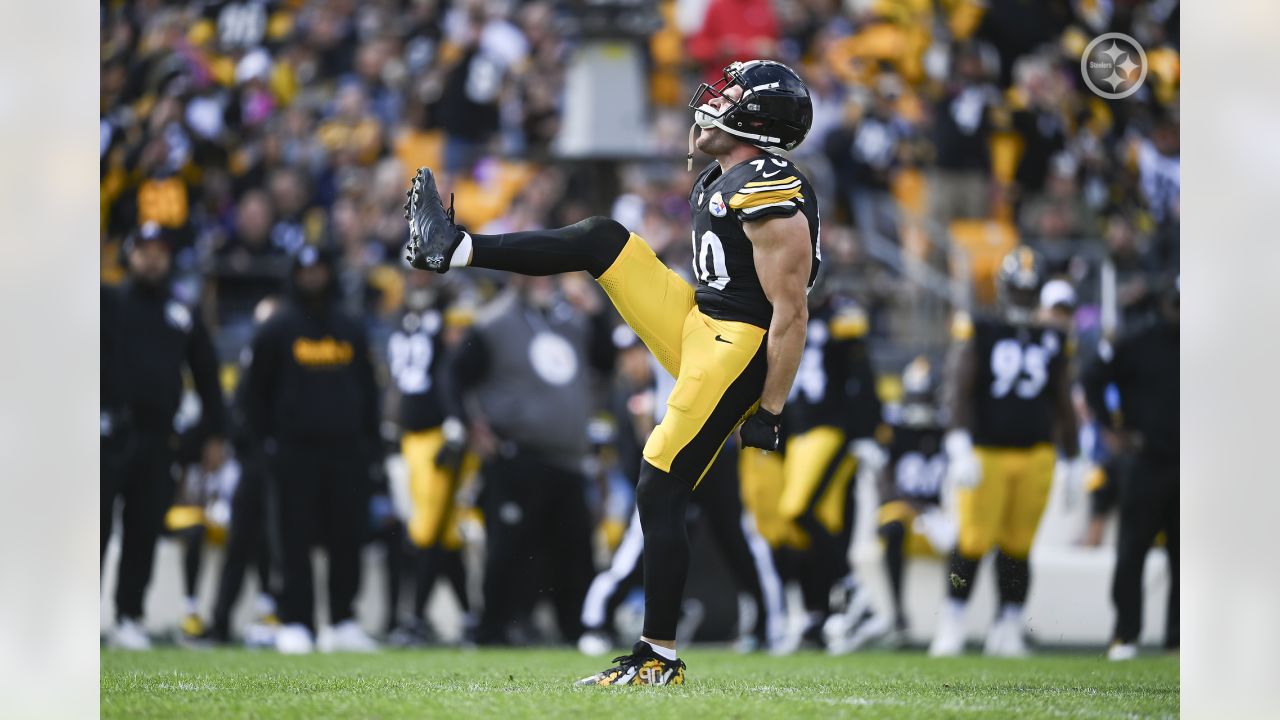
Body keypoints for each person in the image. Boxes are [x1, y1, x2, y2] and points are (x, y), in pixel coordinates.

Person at [405, 59, 817, 685]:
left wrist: (769, 410)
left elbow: (790, 313)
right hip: (700, 321)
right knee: (603, 239)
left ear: (756, 117)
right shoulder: (725, 176)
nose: (710, 102)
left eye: (728, 95)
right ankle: (455, 248)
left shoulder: (769, 186)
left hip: (738, 343)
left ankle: (659, 657)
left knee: (660, 485)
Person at [440, 275, 611, 646]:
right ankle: (493, 629)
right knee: (508, 548)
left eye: (546, 272)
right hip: (516, 455)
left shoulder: (571, 320)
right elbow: (454, 375)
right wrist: (469, 426)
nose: (541, 279)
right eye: (531, 271)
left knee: (574, 550)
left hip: (568, 458)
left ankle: (577, 631)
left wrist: (596, 314)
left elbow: (606, 361)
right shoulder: (492, 322)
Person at [930, 246, 1083, 658]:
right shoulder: (980, 328)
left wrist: (1073, 456)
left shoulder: (1053, 337)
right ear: (1002, 289)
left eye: (1027, 291)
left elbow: (1063, 400)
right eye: (1016, 290)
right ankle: (952, 621)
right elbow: (959, 387)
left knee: (1018, 547)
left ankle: (1009, 626)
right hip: (986, 451)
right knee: (973, 543)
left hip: (1035, 454)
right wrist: (958, 442)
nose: (1021, 298)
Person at [238, 245, 382, 654]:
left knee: (346, 538)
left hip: (346, 453)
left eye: (319, 269)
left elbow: (369, 390)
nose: (313, 277)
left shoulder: (350, 328)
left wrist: (371, 446)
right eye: (306, 271)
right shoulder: (277, 328)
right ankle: (296, 621)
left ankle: (342, 620)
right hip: (292, 453)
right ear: (294, 275)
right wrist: (262, 447)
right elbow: (252, 395)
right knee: (292, 539)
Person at [101, 222, 227, 650]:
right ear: (130, 253)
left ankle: (130, 615)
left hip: (158, 437)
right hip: (105, 432)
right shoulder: (107, 301)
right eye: (144, 249)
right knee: (92, 528)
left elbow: (207, 375)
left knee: (143, 530)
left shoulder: (180, 311)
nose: (152, 258)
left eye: (160, 250)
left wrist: (215, 431)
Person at [778, 291, 885, 651]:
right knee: (803, 529)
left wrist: (867, 431)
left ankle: (857, 597)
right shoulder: (778, 306)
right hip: (798, 432)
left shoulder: (839, 313)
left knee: (800, 510)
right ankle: (818, 615)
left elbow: (861, 372)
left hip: (830, 428)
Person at [1083, 278, 1178, 661]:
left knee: (1186, 555)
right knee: (1131, 550)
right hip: (1146, 459)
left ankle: (1177, 639)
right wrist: (1109, 427)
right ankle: (1125, 634)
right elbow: (1092, 376)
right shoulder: (1138, 341)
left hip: (1194, 462)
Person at [385, 272, 477, 645]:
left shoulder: (449, 313)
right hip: (410, 436)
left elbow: (457, 369)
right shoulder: (401, 318)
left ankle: (416, 618)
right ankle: (469, 616)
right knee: (442, 534)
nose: (418, 280)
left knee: (430, 528)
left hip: (441, 433)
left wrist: (457, 420)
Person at [874, 356, 953, 648]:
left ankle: (951, 618)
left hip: (934, 515)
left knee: (967, 540)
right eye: (916, 396)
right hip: (904, 509)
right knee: (892, 525)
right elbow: (884, 487)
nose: (919, 403)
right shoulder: (894, 431)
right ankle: (898, 617)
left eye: (924, 396)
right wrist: (914, 507)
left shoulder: (947, 432)